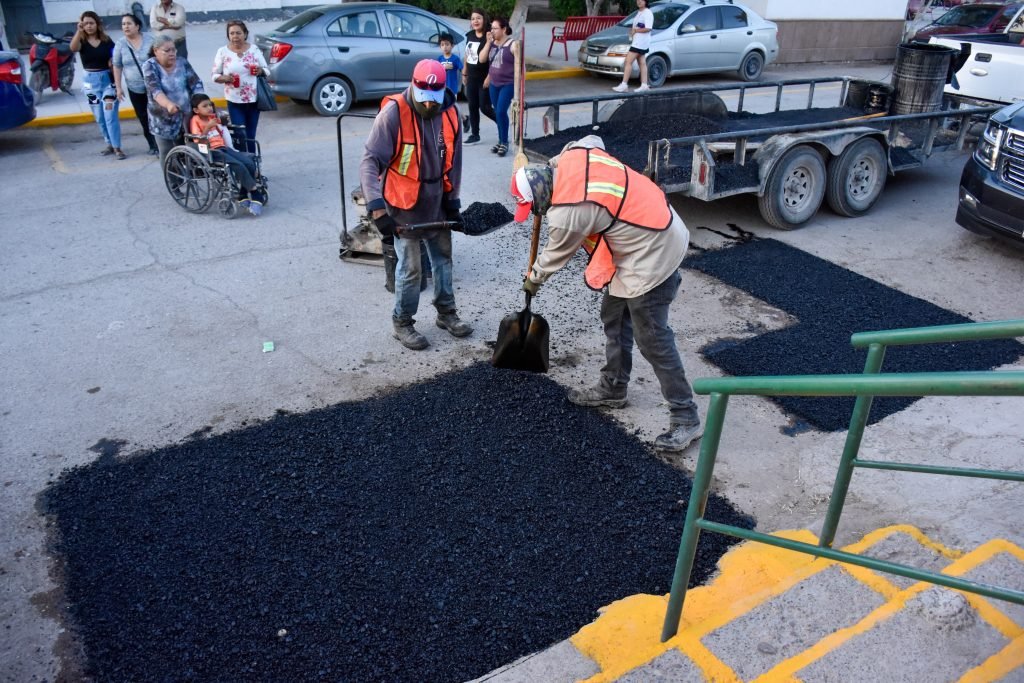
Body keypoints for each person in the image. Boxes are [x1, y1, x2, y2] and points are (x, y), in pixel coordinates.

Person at [511, 136, 702, 453]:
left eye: (532, 207)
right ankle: (614, 387)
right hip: (643, 230)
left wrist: (532, 281)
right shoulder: (572, 155)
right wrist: (555, 163)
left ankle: (686, 418)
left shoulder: (569, 213)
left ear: (542, 193)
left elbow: (554, 256)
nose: (535, 212)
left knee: (652, 338)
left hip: (654, 251)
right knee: (613, 314)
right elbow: (592, 139)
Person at [360, 59, 472, 351]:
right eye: (424, 100)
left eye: (434, 100)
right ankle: (402, 322)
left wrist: (453, 202)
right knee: (411, 269)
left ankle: (446, 313)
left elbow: (455, 162)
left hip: (437, 202)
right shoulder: (393, 114)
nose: (429, 105)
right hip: (403, 204)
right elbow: (369, 162)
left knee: (443, 261)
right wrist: (377, 209)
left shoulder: (450, 113)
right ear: (413, 86)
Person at [188, 93, 262, 216]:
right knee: (238, 165)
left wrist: (224, 121)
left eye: (210, 105)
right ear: (196, 110)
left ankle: (243, 194)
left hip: (223, 147)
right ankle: (255, 193)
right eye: (205, 106)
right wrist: (208, 127)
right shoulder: (195, 120)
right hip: (211, 151)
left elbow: (223, 127)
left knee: (249, 162)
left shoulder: (212, 117)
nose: (209, 108)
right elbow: (197, 140)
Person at [70, 12, 124, 160]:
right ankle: (109, 143)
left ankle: (117, 147)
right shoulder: (81, 41)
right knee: (99, 116)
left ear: (97, 24)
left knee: (110, 115)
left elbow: (115, 58)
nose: (89, 26)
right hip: (90, 83)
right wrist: (78, 31)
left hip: (107, 82)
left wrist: (117, 83)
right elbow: (73, 48)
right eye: (85, 23)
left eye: (91, 23)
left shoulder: (106, 40)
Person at [143, 34, 204, 163]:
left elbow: (196, 83)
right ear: (156, 51)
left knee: (190, 151)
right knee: (166, 152)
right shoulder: (150, 66)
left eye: (173, 50)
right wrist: (168, 104)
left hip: (185, 115)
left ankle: (189, 173)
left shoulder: (182, 62)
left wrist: (200, 102)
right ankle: (171, 176)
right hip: (162, 119)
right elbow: (155, 91)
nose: (171, 53)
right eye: (167, 50)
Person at [212, 20, 269, 154]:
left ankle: (253, 163)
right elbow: (214, 75)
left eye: (238, 33)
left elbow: (267, 70)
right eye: (232, 33)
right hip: (234, 101)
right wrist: (224, 78)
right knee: (240, 134)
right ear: (228, 36)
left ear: (245, 34)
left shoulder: (254, 49)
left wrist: (260, 71)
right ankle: (243, 162)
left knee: (250, 135)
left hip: (253, 100)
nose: (235, 36)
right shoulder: (222, 52)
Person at [112, 14, 158, 155]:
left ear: (137, 26)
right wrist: (118, 87)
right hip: (135, 88)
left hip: (154, 86)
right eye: (123, 24)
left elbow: (159, 60)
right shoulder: (120, 44)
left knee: (157, 115)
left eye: (129, 23)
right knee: (143, 117)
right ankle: (152, 144)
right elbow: (117, 65)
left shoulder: (150, 40)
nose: (126, 26)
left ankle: (162, 143)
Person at [482, 17, 519, 157]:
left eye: (495, 28)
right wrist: (488, 42)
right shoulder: (492, 44)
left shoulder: (513, 44)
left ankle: (504, 142)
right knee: (497, 112)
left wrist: (521, 86)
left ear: (504, 29)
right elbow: (483, 59)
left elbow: (521, 67)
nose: (492, 31)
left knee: (501, 111)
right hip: (494, 83)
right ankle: (500, 140)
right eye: (491, 28)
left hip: (508, 84)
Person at [461, 9, 494, 146]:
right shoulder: (470, 35)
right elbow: (467, 55)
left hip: (484, 78)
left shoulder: (489, 36)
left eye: (478, 18)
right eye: (473, 18)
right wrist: (464, 72)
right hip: (472, 78)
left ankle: (503, 124)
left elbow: (494, 59)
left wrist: (489, 77)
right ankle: (475, 135)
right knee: (472, 106)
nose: (475, 21)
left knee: (485, 108)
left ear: (484, 19)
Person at [613, 0, 654, 93]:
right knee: (642, 63)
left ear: (645, 1)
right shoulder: (639, 12)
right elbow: (638, 26)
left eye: (641, 0)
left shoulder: (647, 13)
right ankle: (644, 85)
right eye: (637, 0)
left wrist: (635, 31)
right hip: (637, 41)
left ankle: (624, 85)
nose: (638, 1)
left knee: (628, 61)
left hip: (640, 42)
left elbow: (648, 28)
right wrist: (632, 31)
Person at [436, 33, 462, 99]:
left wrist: (465, 76)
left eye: (447, 44)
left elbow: (462, 69)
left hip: (452, 88)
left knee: (452, 104)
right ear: (440, 47)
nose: (445, 47)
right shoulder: (439, 59)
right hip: (441, 88)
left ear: (452, 46)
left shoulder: (455, 59)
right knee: (442, 103)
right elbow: (436, 72)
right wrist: (443, 68)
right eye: (442, 45)